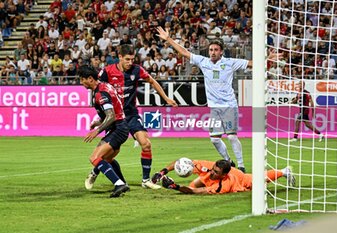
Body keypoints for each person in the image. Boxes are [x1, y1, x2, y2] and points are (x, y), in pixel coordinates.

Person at [157, 26, 252, 172]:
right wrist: (169, 39)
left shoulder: (229, 62)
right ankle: (229, 161)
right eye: (211, 50)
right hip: (214, 108)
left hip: (229, 105)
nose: (213, 52)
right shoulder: (204, 62)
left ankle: (241, 165)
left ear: (221, 51)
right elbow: (184, 52)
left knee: (232, 137)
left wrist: (268, 60)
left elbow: (251, 63)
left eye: (215, 50)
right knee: (214, 139)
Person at [86, 44, 178, 190]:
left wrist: (166, 98)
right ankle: (95, 171)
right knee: (108, 155)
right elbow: (99, 92)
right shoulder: (107, 72)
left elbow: (152, 81)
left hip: (131, 114)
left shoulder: (137, 69)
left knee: (146, 144)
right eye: (127, 59)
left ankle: (146, 180)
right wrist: (98, 119)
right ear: (120, 57)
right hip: (115, 118)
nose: (130, 62)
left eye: (132, 59)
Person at [78, 65, 130, 198]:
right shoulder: (105, 86)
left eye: (82, 79)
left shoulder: (101, 93)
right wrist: (99, 122)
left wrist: (97, 130)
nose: (81, 82)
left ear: (90, 79)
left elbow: (111, 116)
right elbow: (113, 113)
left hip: (118, 128)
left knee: (94, 158)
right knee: (108, 158)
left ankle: (119, 184)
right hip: (120, 127)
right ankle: (122, 182)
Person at [152, 159, 295, 194]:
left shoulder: (223, 184)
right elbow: (181, 161)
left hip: (240, 179)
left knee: (260, 179)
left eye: (216, 172)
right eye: (213, 170)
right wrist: (162, 172)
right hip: (229, 172)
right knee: (193, 183)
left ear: (223, 175)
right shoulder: (209, 167)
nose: (212, 172)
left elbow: (196, 192)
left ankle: (284, 171)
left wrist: (175, 187)